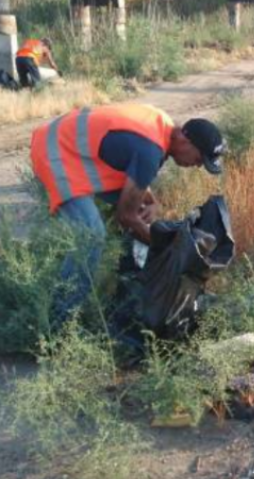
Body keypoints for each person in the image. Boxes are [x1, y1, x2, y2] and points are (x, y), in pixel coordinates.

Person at [30, 103, 227, 323]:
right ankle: (58, 325)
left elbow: (135, 173)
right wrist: (168, 250)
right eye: (199, 159)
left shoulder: (163, 127)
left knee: (140, 213)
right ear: (184, 141)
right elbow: (126, 215)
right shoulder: (150, 150)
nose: (197, 166)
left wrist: (153, 203)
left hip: (74, 149)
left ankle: (124, 289)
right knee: (91, 236)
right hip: (57, 152)